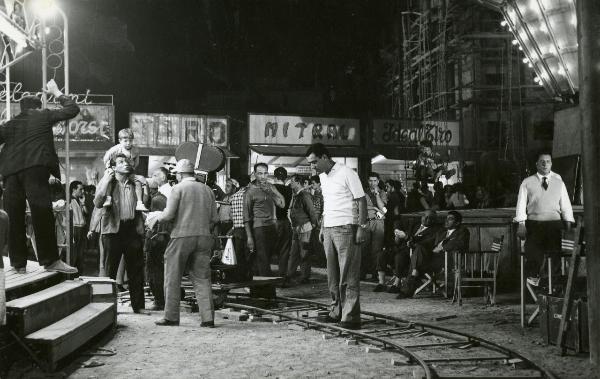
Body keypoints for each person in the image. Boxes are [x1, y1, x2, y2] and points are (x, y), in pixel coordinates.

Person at [0, 79, 79, 274]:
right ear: (38, 106)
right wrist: (56, 92)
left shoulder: (11, 123)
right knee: (41, 214)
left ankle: (17, 263)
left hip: (10, 173)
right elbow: (72, 109)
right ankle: (50, 260)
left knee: (14, 217)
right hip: (35, 168)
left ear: (21, 107)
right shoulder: (43, 115)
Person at [306, 143, 367, 330]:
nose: (312, 167)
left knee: (348, 274)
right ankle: (336, 311)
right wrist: (323, 227)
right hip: (330, 228)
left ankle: (351, 317)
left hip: (346, 227)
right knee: (332, 275)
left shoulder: (348, 172)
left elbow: (361, 200)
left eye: (314, 162)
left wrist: (362, 227)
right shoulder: (323, 177)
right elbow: (327, 203)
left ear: (325, 157)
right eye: (310, 163)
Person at [155, 159, 218, 327]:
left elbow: (168, 216)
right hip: (204, 237)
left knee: (172, 277)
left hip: (181, 236)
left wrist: (155, 217)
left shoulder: (178, 188)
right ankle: (208, 319)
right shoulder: (207, 190)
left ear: (180, 174)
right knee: (202, 278)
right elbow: (214, 219)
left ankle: (171, 317)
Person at [94, 154, 147, 314]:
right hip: (113, 230)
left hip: (132, 229)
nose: (126, 164)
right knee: (110, 269)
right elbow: (97, 203)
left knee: (136, 270)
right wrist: (105, 181)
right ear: (113, 167)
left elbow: (144, 205)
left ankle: (138, 306)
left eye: (126, 161)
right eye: (121, 162)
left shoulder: (135, 184)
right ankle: (108, 306)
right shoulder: (108, 183)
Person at [515, 152, 574, 284]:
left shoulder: (559, 180)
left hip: (554, 224)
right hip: (534, 224)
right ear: (536, 164)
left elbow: (565, 202)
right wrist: (521, 223)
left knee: (555, 256)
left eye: (548, 161)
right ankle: (534, 280)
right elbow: (521, 204)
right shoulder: (527, 182)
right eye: (542, 161)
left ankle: (554, 286)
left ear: (551, 163)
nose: (545, 164)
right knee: (534, 254)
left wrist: (568, 220)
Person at [244, 163, 285, 276]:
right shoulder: (250, 191)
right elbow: (246, 217)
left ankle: (264, 287)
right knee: (263, 258)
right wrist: (249, 237)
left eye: (265, 173)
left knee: (268, 257)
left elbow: (282, 204)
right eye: (260, 173)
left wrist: (270, 192)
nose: (263, 176)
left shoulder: (271, 187)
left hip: (272, 226)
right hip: (259, 227)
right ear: (255, 174)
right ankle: (265, 287)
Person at [391, 210, 440, 297]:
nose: (426, 219)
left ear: (433, 221)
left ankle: (409, 286)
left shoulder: (434, 231)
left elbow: (425, 243)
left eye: (429, 218)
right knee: (399, 256)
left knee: (415, 252)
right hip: (407, 250)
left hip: (421, 255)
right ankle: (397, 283)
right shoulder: (415, 225)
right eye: (425, 216)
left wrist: (407, 238)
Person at [102, 128, 148, 212]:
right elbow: (106, 158)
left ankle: (139, 203)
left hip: (128, 169)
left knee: (137, 181)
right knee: (109, 178)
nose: (128, 143)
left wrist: (133, 168)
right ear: (120, 141)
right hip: (115, 168)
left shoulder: (135, 150)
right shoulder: (115, 149)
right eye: (125, 141)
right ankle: (108, 198)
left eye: (130, 141)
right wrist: (108, 167)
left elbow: (137, 160)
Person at [287, 175, 318, 284]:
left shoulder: (304, 195)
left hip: (304, 227)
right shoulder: (297, 195)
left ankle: (304, 276)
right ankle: (290, 274)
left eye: (292, 181)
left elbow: (311, 211)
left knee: (304, 253)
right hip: (297, 227)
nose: (290, 183)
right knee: (294, 252)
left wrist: (314, 224)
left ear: (298, 183)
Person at [144, 174, 169, 311]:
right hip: (164, 237)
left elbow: (156, 221)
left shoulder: (157, 200)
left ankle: (159, 300)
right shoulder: (163, 198)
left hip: (157, 238)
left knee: (154, 270)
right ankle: (162, 298)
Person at [363, 172, 388, 290]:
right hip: (366, 222)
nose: (372, 183)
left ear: (378, 181)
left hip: (378, 222)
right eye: (370, 181)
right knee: (364, 248)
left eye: (374, 181)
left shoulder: (382, 193)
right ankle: (363, 272)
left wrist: (377, 195)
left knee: (377, 249)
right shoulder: (364, 192)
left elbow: (384, 209)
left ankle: (375, 274)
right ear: (368, 181)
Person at [229, 175, 252, 280]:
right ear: (248, 183)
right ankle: (248, 276)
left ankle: (239, 276)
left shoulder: (233, 196)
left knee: (239, 255)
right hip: (247, 229)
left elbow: (232, 215)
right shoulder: (249, 195)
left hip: (237, 229)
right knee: (249, 254)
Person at [272, 167, 293, 285]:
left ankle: (268, 280)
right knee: (284, 251)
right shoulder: (289, 190)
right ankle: (282, 278)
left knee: (269, 250)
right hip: (285, 222)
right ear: (285, 178)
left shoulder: (271, 189)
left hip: (273, 222)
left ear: (275, 177)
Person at [68, 181, 87, 274]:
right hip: (75, 229)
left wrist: (83, 204)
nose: (82, 191)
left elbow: (85, 214)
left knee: (80, 254)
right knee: (74, 254)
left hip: (81, 228)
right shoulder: (69, 201)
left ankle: (78, 274)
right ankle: (72, 274)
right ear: (74, 190)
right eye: (80, 189)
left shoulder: (79, 201)